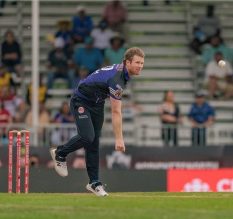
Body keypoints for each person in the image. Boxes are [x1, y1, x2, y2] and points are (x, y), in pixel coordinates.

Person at [50, 47, 145, 196]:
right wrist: (119, 138)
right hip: (80, 101)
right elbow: (116, 111)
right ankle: (60, 153)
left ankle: (94, 183)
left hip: (97, 104)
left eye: (142, 63)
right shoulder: (117, 79)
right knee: (88, 136)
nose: (140, 66)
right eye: (137, 62)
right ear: (127, 62)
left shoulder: (122, 73)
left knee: (93, 142)